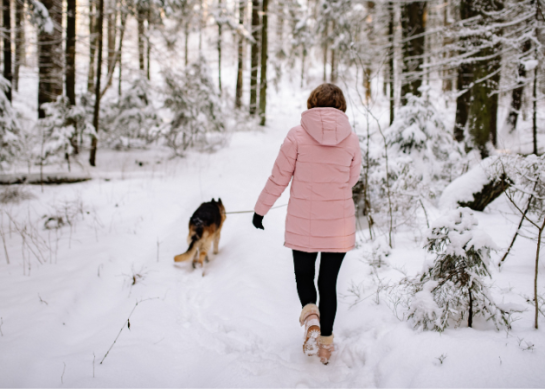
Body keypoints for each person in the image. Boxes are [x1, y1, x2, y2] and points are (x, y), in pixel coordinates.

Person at [252, 83, 362, 365]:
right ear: (341, 107)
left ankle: (311, 317)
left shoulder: (296, 135)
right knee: (328, 283)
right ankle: (325, 347)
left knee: (304, 276)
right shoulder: (351, 139)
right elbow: (352, 178)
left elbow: (279, 177)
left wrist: (260, 210)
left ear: (312, 102)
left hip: (304, 221)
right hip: (338, 223)